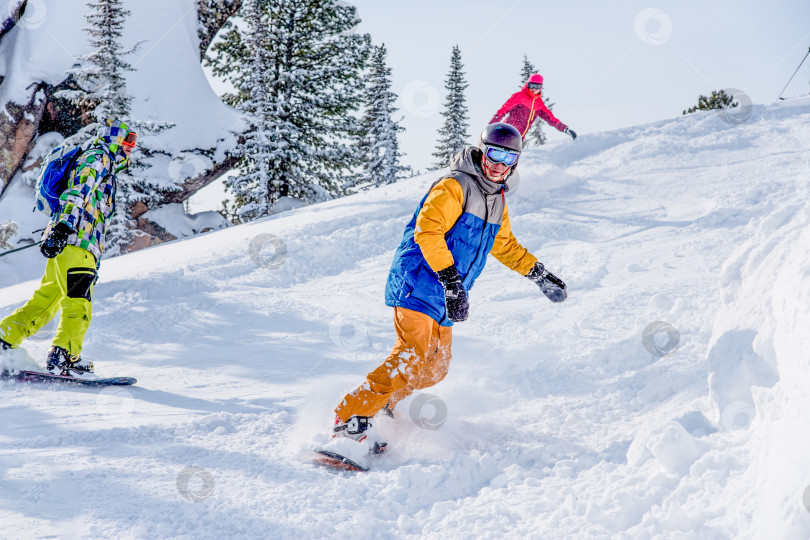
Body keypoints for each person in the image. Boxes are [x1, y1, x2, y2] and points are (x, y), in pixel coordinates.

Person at [331, 122, 567, 449]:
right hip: (420, 281)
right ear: (482, 152)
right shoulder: (455, 186)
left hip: (445, 295)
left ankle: (382, 406)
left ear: (515, 163)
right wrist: (452, 281)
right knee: (411, 356)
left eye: (507, 157)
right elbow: (427, 231)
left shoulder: (497, 202)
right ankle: (348, 423)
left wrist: (538, 274)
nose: (498, 163)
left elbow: (506, 246)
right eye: (493, 153)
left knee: (434, 369)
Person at [0, 119, 137, 376]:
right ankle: (66, 356)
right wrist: (64, 226)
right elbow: (77, 191)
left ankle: (4, 339)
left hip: (70, 244)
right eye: (127, 141)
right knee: (78, 301)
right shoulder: (99, 157)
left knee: (47, 300)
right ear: (115, 140)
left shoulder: (100, 160)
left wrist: (61, 229)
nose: (131, 147)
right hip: (78, 243)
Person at [490, 73, 577, 141]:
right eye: (532, 85)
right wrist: (491, 126)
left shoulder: (539, 104)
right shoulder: (519, 96)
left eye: (537, 86)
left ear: (541, 87)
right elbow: (503, 110)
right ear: (528, 84)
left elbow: (552, 119)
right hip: (507, 131)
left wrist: (565, 129)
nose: (534, 88)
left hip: (518, 138)